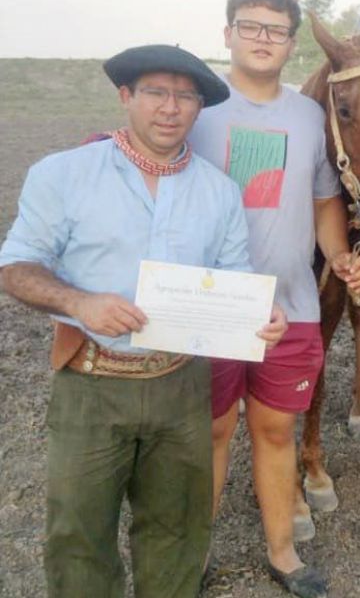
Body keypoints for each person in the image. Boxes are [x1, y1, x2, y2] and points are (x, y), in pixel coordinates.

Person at [0, 45, 288, 598]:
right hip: (90, 381)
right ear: (126, 96)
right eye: (156, 92)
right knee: (79, 536)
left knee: (177, 532)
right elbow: (16, 267)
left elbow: (233, 279)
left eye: (186, 96)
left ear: (199, 109)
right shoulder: (64, 174)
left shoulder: (218, 193)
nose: (170, 108)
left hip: (180, 386)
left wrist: (260, 314)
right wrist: (79, 304)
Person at [188, 0, 360, 596]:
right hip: (209, 306)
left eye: (277, 30)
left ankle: (283, 553)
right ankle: (195, 550)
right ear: (228, 35)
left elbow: (323, 201)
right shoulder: (195, 110)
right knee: (210, 434)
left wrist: (339, 254)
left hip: (290, 306)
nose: (264, 39)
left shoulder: (308, 118)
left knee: (275, 431)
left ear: (293, 44)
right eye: (251, 27)